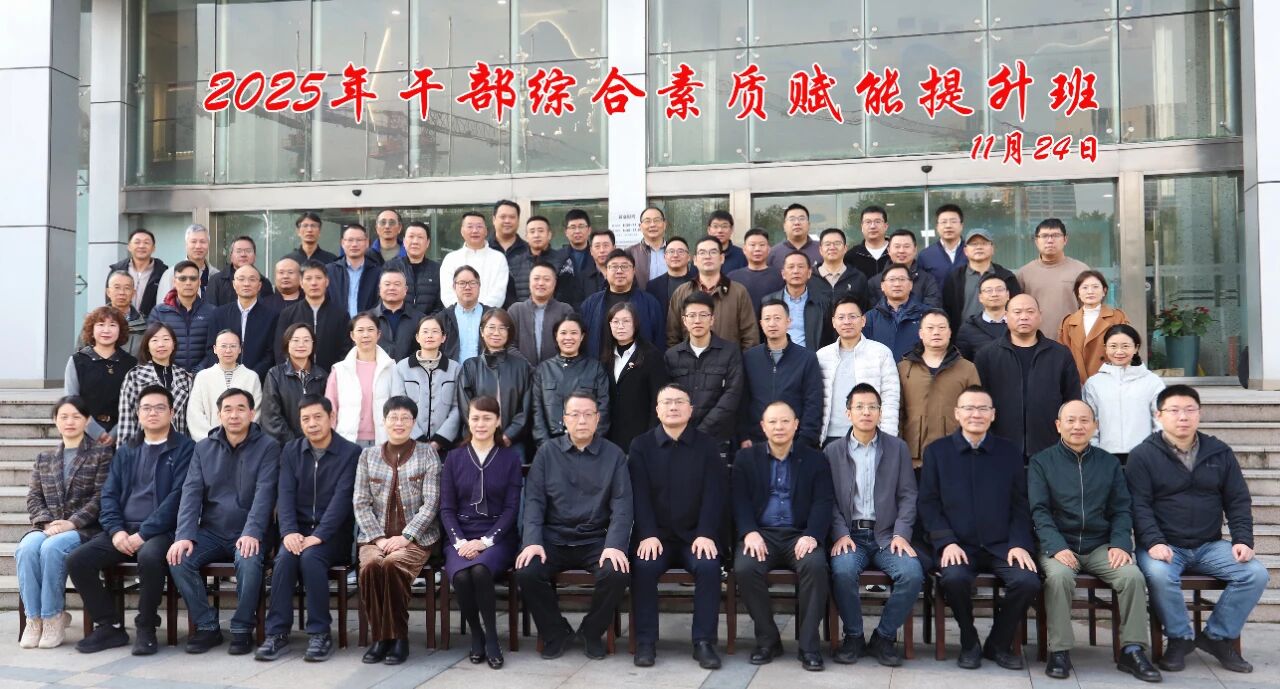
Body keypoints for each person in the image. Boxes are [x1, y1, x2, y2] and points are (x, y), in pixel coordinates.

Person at [1127, 384, 1268, 674]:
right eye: (1174, 410)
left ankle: (1216, 636)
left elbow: (1238, 500)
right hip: (1164, 544)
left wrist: (1242, 540)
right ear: (1158, 415)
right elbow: (1138, 505)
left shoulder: (1219, 452)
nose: (1183, 417)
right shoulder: (1143, 455)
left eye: (1190, 410)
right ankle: (1180, 638)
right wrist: (1153, 541)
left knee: (1255, 574)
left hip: (1209, 545)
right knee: (1159, 574)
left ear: (1199, 414)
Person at [1029, 400, 1160, 682]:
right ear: (1058, 425)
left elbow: (1122, 509)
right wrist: (1056, 546)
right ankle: (1059, 651)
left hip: (1100, 544)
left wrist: (1120, 543)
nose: (1077, 426)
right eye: (1071, 420)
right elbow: (1039, 510)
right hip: (1059, 544)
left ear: (1095, 425)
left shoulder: (1109, 463)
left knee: (1132, 577)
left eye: (1084, 420)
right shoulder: (1042, 462)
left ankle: (1133, 650)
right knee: (1059, 577)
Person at [917, 385, 1041, 671]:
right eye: (969, 408)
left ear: (993, 414)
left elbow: (1021, 504)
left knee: (1027, 581)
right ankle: (969, 640)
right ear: (957, 414)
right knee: (954, 578)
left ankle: (998, 643)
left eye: (983, 408)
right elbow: (928, 504)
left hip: (1002, 545)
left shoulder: (1009, 452)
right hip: (958, 545)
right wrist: (946, 542)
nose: (976, 414)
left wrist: (1019, 543)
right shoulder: (937, 452)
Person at [68, 385, 195, 655]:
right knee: (78, 560)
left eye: (159, 408)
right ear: (137, 413)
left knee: (149, 556)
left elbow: (179, 498)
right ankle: (110, 626)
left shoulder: (185, 448)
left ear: (172, 412)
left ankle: (146, 627)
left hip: (162, 532)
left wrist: (143, 534)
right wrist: (116, 531)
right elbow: (109, 495)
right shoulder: (127, 450)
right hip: (124, 531)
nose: (152, 413)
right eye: (146, 408)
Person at [515, 392, 632, 660]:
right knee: (527, 571)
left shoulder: (614, 455)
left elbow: (623, 505)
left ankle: (591, 632)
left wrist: (615, 545)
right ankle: (556, 631)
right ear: (564, 419)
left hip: (596, 539)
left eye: (588, 414)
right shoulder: (547, 453)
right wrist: (532, 541)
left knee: (616, 572)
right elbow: (534, 502)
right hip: (554, 538)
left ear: (598, 419)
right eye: (575, 414)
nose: (582, 420)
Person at [167, 388, 278, 655]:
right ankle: (207, 627)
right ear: (219, 415)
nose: (234, 415)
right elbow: (191, 494)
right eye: (227, 409)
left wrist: (252, 532)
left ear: (252, 413)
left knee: (248, 559)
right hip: (212, 531)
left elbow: (265, 494)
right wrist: (184, 535)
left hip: (251, 530)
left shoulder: (268, 447)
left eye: (241, 409)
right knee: (179, 558)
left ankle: (242, 628)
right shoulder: (203, 448)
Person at [628, 383, 727, 669]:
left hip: (694, 536)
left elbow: (714, 494)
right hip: (656, 537)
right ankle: (645, 642)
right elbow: (639, 495)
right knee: (644, 566)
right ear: (657, 410)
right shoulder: (641, 445)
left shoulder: (707, 446)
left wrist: (706, 533)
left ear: (690, 409)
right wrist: (647, 534)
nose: (673, 407)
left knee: (708, 566)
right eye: (667, 402)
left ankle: (704, 642)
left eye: (679, 402)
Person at [256, 394, 360, 662]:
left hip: (333, 536)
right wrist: (289, 532)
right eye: (305, 419)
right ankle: (277, 633)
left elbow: (342, 501)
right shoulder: (291, 451)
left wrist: (320, 535)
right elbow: (285, 494)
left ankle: (319, 633)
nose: (312, 424)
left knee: (311, 558)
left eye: (317, 417)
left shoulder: (350, 453)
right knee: (284, 559)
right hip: (297, 532)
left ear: (331, 418)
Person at [825, 384, 922, 667]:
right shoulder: (832, 451)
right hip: (850, 535)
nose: (866, 412)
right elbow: (826, 500)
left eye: (872, 407)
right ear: (848, 413)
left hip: (886, 536)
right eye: (859, 407)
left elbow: (908, 495)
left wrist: (901, 534)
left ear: (880, 412)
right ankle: (854, 636)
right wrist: (840, 533)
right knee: (842, 571)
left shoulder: (897, 448)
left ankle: (884, 636)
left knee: (911, 574)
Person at [732, 401, 833, 671]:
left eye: (785, 421)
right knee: (745, 567)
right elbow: (738, 500)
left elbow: (823, 502)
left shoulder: (815, 459)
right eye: (773, 422)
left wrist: (812, 535)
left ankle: (809, 646)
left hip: (799, 534)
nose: (779, 427)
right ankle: (768, 640)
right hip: (761, 534)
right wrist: (749, 532)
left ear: (796, 425)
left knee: (815, 565)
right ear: (763, 427)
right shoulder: (746, 458)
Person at [17, 396, 113, 649]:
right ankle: (34, 618)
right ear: (55, 421)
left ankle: (53, 617)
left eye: (76, 416)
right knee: (26, 548)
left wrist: (71, 523)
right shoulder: (44, 458)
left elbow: (101, 497)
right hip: (48, 526)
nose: (70, 422)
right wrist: (47, 523)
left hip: (84, 528)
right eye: (64, 417)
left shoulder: (101, 454)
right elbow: (34, 497)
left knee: (52, 548)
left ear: (87, 421)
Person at [353, 396, 442, 666]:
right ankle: (381, 638)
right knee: (371, 566)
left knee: (392, 564)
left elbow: (432, 503)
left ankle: (398, 637)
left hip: (417, 539)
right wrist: (379, 539)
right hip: (374, 539)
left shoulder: (427, 453)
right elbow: (360, 502)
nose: (399, 423)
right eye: (393, 417)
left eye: (405, 418)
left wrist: (406, 537)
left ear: (414, 422)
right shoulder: (368, 456)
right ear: (384, 421)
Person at [440, 396, 523, 669]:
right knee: (461, 575)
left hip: (497, 536)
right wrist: (460, 542)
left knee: (479, 570)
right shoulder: (454, 458)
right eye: (475, 418)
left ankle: (492, 639)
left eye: (487, 418)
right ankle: (477, 635)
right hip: (460, 535)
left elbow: (511, 509)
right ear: (468, 420)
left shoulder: (510, 458)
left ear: (498, 421)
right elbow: (447, 508)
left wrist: (485, 542)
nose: (481, 424)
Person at [975, 295, 1081, 457]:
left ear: (1040, 315)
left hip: (1050, 446)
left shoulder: (1060, 354)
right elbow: (979, 401)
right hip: (999, 446)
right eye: (1017, 312)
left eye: (1030, 312)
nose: (1024, 317)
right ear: (1006, 316)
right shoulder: (987, 355)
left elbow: (1072, 400)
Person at [664, 293, 746, 456]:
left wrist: (702, 430)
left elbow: (732, 395)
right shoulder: (672, 356)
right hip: (679, 438)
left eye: (703, 315)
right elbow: (667, 398)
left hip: (717, 439)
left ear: (712, 319)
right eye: (692, 315)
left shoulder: (730, 352)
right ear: (684, 320)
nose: (697, 320)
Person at [898, 310, 981, 467]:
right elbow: (898, 412)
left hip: (955, 454)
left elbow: (975, 412)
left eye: (942, 327)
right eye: (930, 328)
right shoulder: (904, 368)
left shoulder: (967, 369)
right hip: (914, 456)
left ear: (949, 332)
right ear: (921, 333)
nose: (936, 332)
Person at [741, 297, 824, 447]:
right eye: (767, 319)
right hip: (756, 441)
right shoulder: (749, 358)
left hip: (795, 442)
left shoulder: (807, 358)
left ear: (788, 322)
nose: (772, 323)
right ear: (761, 323)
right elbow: (743, 400)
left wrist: (805, 440)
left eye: (777, 318)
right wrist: (743, 436)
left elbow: (813, 403)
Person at [816, 295, 899, 445]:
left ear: (863, 320)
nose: (847, 322)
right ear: (833, 322)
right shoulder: (822, 356)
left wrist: (888, 440)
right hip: (829, 437)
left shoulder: (881, 353)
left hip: (869, 436)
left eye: (852, 316)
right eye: (841, 317)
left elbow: (890, 398)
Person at [456, 309, 534, 457]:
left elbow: (526, 406)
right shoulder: (470, 366)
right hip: (477, 439)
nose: (496, 333)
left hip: (513, 442)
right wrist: (482, 433)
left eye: (502, 328)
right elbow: (465, 406)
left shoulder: (521, 367)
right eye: (491, 327)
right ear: (482, 331)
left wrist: (509, 435)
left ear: (509, 332)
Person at [1083, 324, 1164, 461]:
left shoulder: (1152, 381)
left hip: (1144, 457)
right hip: (1105, 457)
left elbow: (1160, 420)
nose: (1119, 351)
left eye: (1125, 346)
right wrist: (1095, 453)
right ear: (1105, 348)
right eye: (1113, 346)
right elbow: (1091, 421)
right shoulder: (1094, 383)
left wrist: (1154, 450)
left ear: (1136, 348)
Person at [666, 235, 759, 349]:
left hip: (729, 360)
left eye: (713, 252)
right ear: (695, 260)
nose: (707, 257)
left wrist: (737, 360)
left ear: (722, 258)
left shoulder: (738, 292)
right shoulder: (681, 292)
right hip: (690, 360)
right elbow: (672, 336)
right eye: (702, 252)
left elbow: (750, 336)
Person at [531, 314, 611, 445]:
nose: (568, 337)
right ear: (556, 336)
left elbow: (604, 409)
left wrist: (590, 442)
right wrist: (546, 447)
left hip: (587, 443)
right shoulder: (543, 370)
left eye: (574, 333)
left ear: (582, 336)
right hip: (552, 444)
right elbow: (536, 412)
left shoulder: (595, 368)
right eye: (563, 333)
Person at [601, 302, 667, 453]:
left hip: (641, 436)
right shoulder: (606, 357)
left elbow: (658, 398)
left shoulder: (651, 355)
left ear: (635, 324)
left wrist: (652, 436)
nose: (620, 326)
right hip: (611, 438)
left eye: (626, 321)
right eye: (615, 322)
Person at [390, 314, 461, 452]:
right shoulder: (402, 368)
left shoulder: (455, 369)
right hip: (410, 444)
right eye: (425, 331)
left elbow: (457, 408)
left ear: (443, 337)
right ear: (417, 337)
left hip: (445, 447)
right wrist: (418, 438)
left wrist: (439, 441)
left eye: (435, 331)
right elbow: (399, 405)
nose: (430, 335)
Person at [66, 306, 137, 440]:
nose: (106, 330)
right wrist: (97, 432)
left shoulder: (131, 363)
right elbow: (72, 401)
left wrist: (115, 433)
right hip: (84, 433)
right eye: (101, 324)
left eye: (112, 325)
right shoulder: (77, 361)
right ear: (92, 330)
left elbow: (133, 404)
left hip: (122, 434)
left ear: (120, 330)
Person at [325, 313, 396, 447]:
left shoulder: (391, 368)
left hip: (383, 440)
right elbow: (330, 409)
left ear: (378, 334)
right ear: (352, 335)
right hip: (347, 441)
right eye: (360, 330)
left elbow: (398, 406)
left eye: (370, 330)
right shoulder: (339, 370)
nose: (365, 335)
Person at [116, 323, 195, 442]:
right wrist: (125, 451)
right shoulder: (135, 376)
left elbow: (190, 423)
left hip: (178, 448)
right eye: (154, 340)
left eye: (166, 339)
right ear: (147, 346)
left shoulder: (185, 378)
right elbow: (126, 421)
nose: (161, 344)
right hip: (144, 447)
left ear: (173, 344)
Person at [581, 249, 666, 357]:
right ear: (606, 271)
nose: (619, 271)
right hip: (598, 365)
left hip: (639, 365)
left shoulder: (650, 303)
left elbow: (659, 341)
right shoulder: (591, 304)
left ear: (634, 270)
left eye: (625, 266)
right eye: (614, 267)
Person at [1017, 219, 1092, 338]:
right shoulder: (1024, 273)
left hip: (1071, 341)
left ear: (1065, 239)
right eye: (1044, 236)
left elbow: (1091, 309)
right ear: (1036, 241)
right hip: (1034, 341)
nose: (1050, 240)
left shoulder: (1081, 270)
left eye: (1056, 235)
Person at [203, 264, 280, 379]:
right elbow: (211, 348)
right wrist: (225, 373)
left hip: (257, 380)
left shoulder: (271, 316)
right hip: (223, 379)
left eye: (252, 279)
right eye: (241, 279)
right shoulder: (219, 314)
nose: (246, 284)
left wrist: (251, 376)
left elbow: (270, 354)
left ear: (259, 285)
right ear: (234, 284)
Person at [187, 330, 263, 441]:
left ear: (240, 349)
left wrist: (239, 438)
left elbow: (255, 413)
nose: (228, 350)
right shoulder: (202, 377)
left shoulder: (251, 377)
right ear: (215, 349)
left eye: (233, 346)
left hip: (244, 442)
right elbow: (194, 414)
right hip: (209, 443)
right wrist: (212, 439)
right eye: (223, 346)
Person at [259, 323, 328, 445]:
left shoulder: (322, 376)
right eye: (295, 340)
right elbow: (271, 417)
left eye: (306, 340)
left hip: (316, 445)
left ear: (313, 344)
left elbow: (326, 413)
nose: (301, 344)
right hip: (284, 447)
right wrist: (295, 444)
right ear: (287, 344)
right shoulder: (275, 375)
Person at [274, 260, 350, 370]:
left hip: (332, 375)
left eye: (318, 278)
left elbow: (346, 349)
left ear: (327, 281)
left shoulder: (340, 315)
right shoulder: (288, 314)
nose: (314, 283)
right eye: (308, 278)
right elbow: (280, 349)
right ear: (301, 283)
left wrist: (335, 373)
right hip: (295, 376)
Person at [941, 228, 1021, 330]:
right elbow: (947, 309)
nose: (979, 247)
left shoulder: (1006, 277)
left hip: (1001, 335)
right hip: (964, 335)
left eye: (984, 243)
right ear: (965, 251)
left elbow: (1016, 308)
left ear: (992, 248)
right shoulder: (954, 278)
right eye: (973, 244)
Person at [1058, 270, 1129, 382]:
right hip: (1078, 382)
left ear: (1104, 291)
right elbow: (1062, 356)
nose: (1090, 291)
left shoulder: (1117, 317)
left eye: (1095, 287)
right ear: (1078, 293)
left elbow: (1127, 350)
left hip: (1110, 381)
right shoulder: (1068, 322)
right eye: (1085, 288)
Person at [148, 260, 216, 372]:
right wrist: (173, 372)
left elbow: (215, 348)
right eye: (183, 278)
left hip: (203, 376)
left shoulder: (212, 312)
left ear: (199, 282)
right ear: (174, 282)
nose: (188, 283)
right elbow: (152, 346)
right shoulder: (159, 312)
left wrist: (198, 372)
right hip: (168, 375)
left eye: (193, 278)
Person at [508, 261, 574, 366]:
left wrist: (549, 370)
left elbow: (569, 344)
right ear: (529, 282)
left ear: (554, 283)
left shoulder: (564, 310)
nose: (541, 283)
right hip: (522, 372)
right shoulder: (516, 310)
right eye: (536, 278)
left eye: (546, 279)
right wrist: (527, 368)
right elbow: (509, 344)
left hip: (556, 372)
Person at [440, 212, 509, 309]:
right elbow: (447, 294)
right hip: (457, 315)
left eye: (479, 226)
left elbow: (499, 293)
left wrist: (482, 313)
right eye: (470, 226)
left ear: (486, 231)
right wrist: (461, 312)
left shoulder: (498, 258)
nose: (475, 230)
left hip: (489, 315)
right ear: (462, 231)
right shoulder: (451, 259)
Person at [507, 216, 577, 305]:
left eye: (541, 231)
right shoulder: (513, 263)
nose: (536, 235)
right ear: (526, 237)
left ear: (549, 235)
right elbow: (509, 296)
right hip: (521, 313)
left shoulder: (563, 260)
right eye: (532, 231)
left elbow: (566, 294)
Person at [863, 263, 926, 360]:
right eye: (892, 279)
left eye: (902, 279)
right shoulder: (870, 318)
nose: (897, 284)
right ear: (882, 286)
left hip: (916, 368)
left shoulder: (926, 314)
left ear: (911, 285)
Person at [867, 229, 942, 308]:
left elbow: (932, 309)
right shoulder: (874, 283)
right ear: (888, 250)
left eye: (906, 246)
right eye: (897, 246)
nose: (901, 251)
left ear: (915, 250)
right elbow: (872, 312)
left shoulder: (928, 280)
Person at [437, 265, 493, 363]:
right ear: (454, 287)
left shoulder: (492, 316)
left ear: (479, 286)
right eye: (462, 283)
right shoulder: (442, 318)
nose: (467, 287)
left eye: (472, 283)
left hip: (486, 371)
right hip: (452, 371)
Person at [384, 221, 442, 315]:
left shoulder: (437, 270)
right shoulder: (391, 267)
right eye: (411, 236)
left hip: (429, 323)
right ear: (404, 241)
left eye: (420, 237)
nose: (415, 241)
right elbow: (383, 299)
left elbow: (440, 305)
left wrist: (428, 322)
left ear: (427, 243)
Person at [326, 223, 383, 318]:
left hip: (368, 324)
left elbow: (380, 303)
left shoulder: (378, 272)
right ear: (342, 243)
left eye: (359, 240)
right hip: (336, 324)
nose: (354, 244)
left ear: (367, 243)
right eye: (350, 240)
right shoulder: (329, 271)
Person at [108, 228, 167, 318]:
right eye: (137, 242)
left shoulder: (162, 272)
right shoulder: (116, 270)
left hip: (151, 323)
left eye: (146, 243)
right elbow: (109, 298)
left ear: (153, 248)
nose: (141, 246)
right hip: (119, 321)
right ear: (129, 247)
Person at [807, 228, 870, 309]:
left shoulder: (858, 278)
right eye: (827, 244)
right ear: (820, 250)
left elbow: (864, 310)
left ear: (845, 248)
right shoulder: (808, 277)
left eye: (837, 243)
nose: (832, 247)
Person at [369, 269, 423, 361]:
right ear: (380, 288)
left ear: (405, 290)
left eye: (397, 284)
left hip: (410, 369)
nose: (392, 288)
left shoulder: (420, 320)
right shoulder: (367, 319)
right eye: (387, 284)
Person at [205, 236, 275, 307]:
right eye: (238, 251)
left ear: (254, 256)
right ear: (231, 256)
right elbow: (210, 310)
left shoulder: (264, 283)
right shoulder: (216, 280)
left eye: (248, 251)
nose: (243, 255)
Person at [728, 228, 786, 312]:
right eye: (752, 245)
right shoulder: (732, 277)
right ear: (744, 249)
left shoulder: (780, 276)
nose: (757, 249)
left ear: (769, 249)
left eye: (762, 245)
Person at [954, 273, 1010, 360]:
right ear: (980, 297)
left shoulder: (1019, 323)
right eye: (988, 290)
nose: (994, 294)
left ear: (1008, 295)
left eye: (999, 289)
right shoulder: (968, 328)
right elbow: (963, 362)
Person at [156, 224, 218, 298]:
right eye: (193, 242)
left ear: (208, 245)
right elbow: (163, 303)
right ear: (186, 245)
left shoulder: (216, 275)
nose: (198, 246)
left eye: (202, 242)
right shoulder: (171, 274)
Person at [556, 209, 603, 303]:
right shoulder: (557, 257)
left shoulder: (598, 256)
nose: (577, 231)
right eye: (573, 227)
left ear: (589, 230)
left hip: (592, 306)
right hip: (565, 309)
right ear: (566, 232)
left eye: (581, 226)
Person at [917, 204, 967, 288]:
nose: (948, 226)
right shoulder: (925, 255)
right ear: (937, 227)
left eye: (953, 221)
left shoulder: (972, 251)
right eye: (944, 222)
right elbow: (921, 286)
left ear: (961, 226)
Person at [104, 270, 149, 357]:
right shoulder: (95, 321)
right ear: (108, 292)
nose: (122, 292)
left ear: (134, 293)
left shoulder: (145, 325)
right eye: (117, 287)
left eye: (127, 288)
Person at [645, 236, 695, 312]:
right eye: (671, 251)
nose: (675, 255)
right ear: (665, 257)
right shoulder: (652, 286)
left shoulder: (698, 282)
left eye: (680, 251)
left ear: (689, 257)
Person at [767, 203, 821, 271]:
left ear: (809, 225)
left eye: (801, 219)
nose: (797, 223)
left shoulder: (822, 250)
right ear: (784, 226)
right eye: (792, 219)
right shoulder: (773, 253)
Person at [626, 206, 668, 290]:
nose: (652, 225)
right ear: (640, 226)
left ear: (664, 224)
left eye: (657, 220)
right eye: (647, 221)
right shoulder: (630, 252)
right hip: (641, 298)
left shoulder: (675, 251)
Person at [845, 205, 892, 279]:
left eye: (877, 222)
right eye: (868, 222)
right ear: (862, 227)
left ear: (886, 226)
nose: (872, 226)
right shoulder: (851, 256)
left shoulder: (896, 252)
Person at [581, 229, 614, 296]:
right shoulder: (582, 278)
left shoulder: (623, 274)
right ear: (591, 251)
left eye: (606, 245)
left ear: (614, 248)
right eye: (597, 246)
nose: (602, 250)